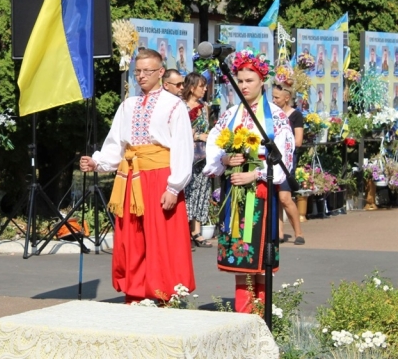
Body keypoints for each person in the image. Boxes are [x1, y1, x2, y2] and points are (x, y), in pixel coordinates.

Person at [79, 48, 194, 302]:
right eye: (137, 71)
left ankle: (164, 294)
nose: (141, 76)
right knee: (132, 235)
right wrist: (97, 162)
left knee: (161, 236)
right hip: (131, 177)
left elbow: (183, 148)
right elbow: (116, 144)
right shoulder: (127, 105)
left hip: (160, 176)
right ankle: (135, 292)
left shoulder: (174, 105)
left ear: (161, 72)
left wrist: (174, 187)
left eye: (147, 71)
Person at [203, 50, 295, 313]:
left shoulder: (275, 117)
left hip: (261, 190)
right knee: (240, 253)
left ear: (262, 82)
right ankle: (244, 311)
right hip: (235, 190)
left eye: (249, 80)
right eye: (240, 80)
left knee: (260, 252)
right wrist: (225, 159)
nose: (243, 85)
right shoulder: (230, 114)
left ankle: (261, 312)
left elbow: (283, 160)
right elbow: (214, 144)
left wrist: (255, 173)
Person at [272, 82, 305, 246]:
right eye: (272, 97)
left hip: (287, 160)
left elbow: (298, 141)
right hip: (272, 160)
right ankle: (278, 232)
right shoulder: (271, 114)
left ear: (287, 98)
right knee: (275, 196)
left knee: (285, 197)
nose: (274, 100)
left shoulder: (295, 115)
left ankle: (298, 232)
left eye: (277, 97)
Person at [181, 72, 212, 248]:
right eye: (202, 86)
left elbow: (207, 128)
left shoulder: (204, 107)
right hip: (187, 155)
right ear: (192, 88)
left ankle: (196, 231)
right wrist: (199, 135)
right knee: (188, 191)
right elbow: (182, 133)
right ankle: (184, 231)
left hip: (202, 156)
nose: (205, 89)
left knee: (201, 190)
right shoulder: (181, 107)